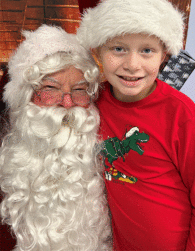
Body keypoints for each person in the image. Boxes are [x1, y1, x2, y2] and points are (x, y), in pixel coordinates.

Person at [76, 0, 195, 251]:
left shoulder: (183, 115)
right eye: (118, 48)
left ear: (164, 55)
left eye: (147, 50)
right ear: (98, 52)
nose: (132, 66)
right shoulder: (94, 100)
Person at [0, 25, 111, 251]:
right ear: (27, 96)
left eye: (79, 90)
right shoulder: (10, 167)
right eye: (51, 88)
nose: (67, 103)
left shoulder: (107, 159)